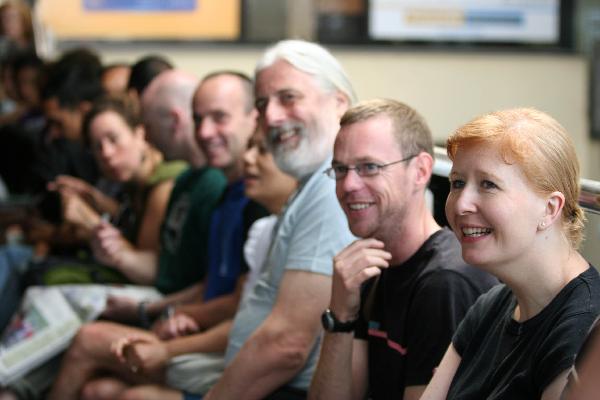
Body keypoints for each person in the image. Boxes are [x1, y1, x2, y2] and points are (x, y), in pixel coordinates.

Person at [47, 70, 266, 400]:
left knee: (89, 343)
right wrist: (154, 311)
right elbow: (210, 284)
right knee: (98, 389)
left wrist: (167, 320)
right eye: (199, 119)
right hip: (201, 329)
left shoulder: (252, 200)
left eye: (219, 118)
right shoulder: (223, 192)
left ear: (254, 119)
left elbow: (240, 306)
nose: (204, 132)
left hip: (224, 347)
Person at [194, 39, 356, 400]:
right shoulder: (311, 182)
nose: (271, 117)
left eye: (288, 98)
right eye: (264, 103)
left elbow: (288, 345)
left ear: (339, 103)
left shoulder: (334, 188)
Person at [308, 99, 498, 400]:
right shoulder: (372, 267)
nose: (348, 185)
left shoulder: (445, 283)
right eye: (340, 169)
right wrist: (340, 315)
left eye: (369, 167)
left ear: (421, 171)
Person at [420, 108, 600, 400]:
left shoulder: (583, 330)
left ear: (550, 208)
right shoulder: (492, 304)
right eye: (457, 183)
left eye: (488, 185)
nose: (461, 204)